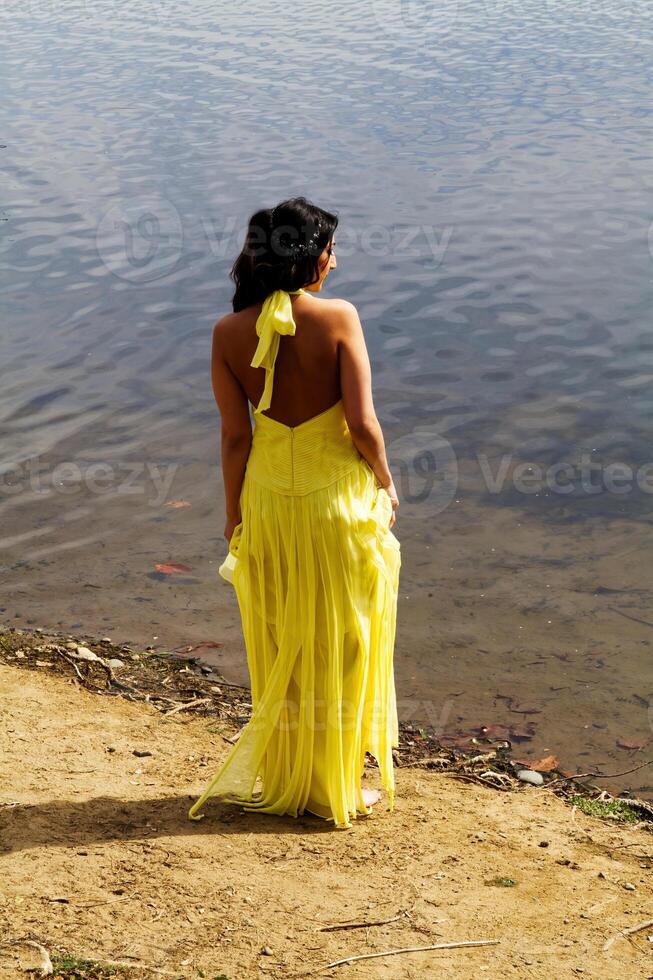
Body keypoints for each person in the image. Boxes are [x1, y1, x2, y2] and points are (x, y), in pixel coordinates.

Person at [187, 196, 401, 830]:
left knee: (284, 634)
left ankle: (299, 777)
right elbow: (361, 423)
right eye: (330, 248)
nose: (335, 260)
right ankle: (333, 782)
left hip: (270, 502)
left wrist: (233, 515)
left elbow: (235, 437)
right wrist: (386, 483)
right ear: (309, 257)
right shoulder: (339, 317)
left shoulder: (227, 334)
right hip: (337, 500)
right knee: (348, 633)